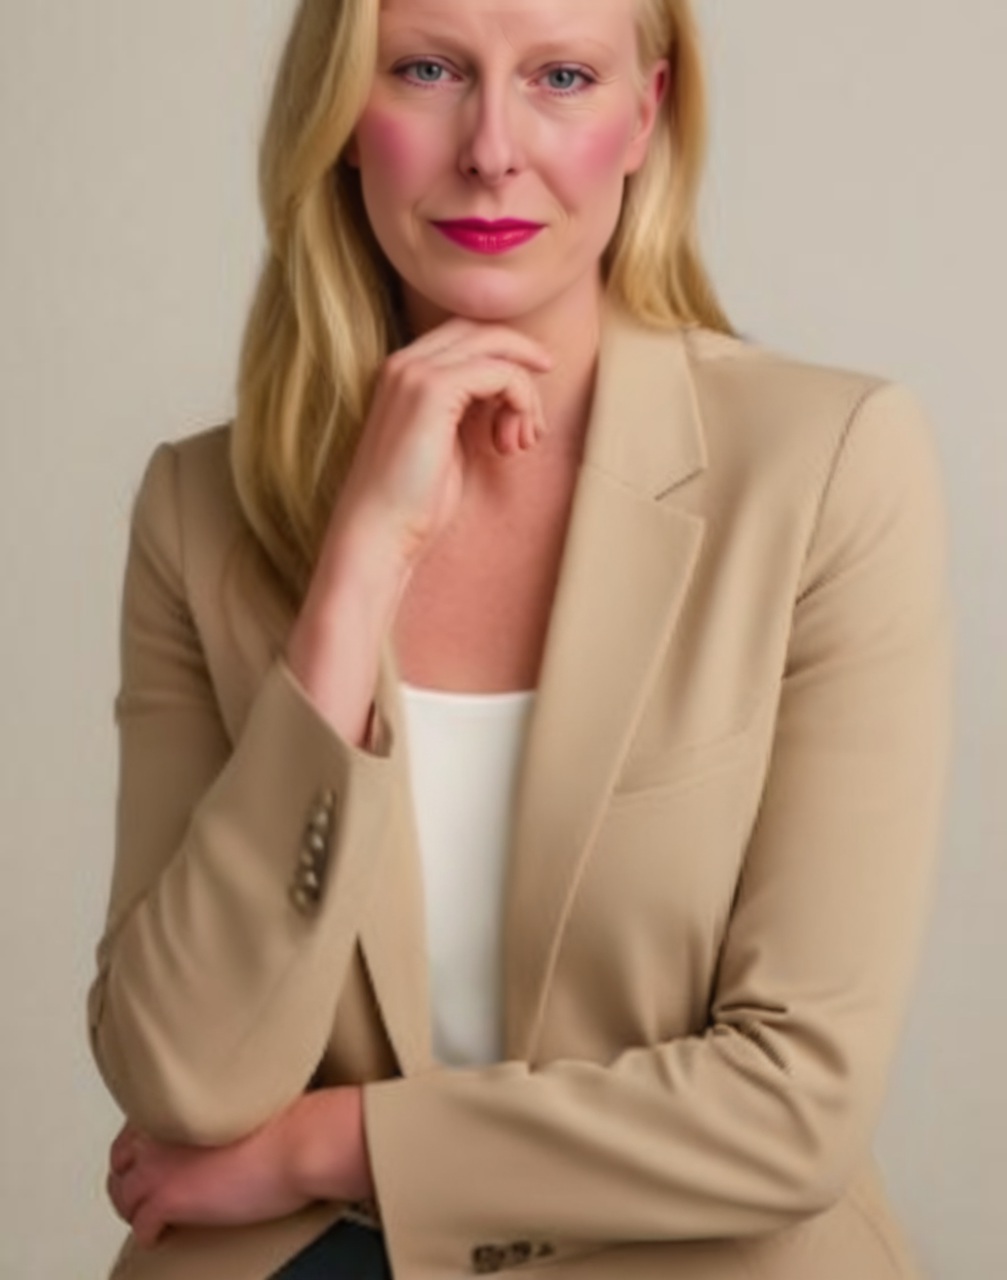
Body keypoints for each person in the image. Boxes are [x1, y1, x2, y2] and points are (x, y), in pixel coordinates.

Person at [88, 0, 954, 1277]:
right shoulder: (198, 508)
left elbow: (792, 1107)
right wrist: (352, 580)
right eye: (426, 69)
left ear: (643, 116)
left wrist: (336, 1143)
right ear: (341, 117)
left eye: (559, 77)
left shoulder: (826, 467)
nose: (491, 149)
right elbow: (181, 1072)